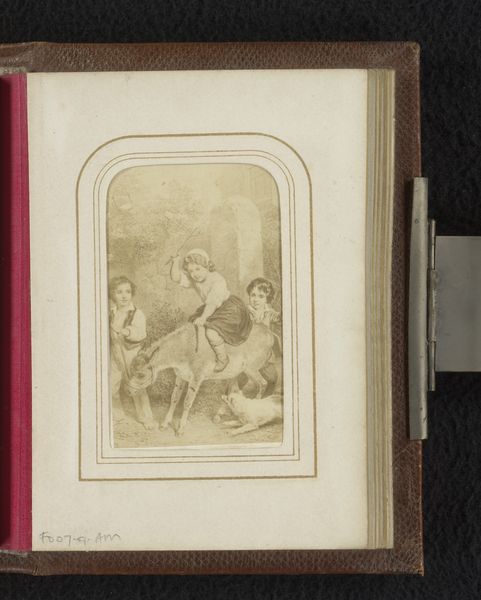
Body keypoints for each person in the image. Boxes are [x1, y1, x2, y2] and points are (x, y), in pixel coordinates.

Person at [170, 249, 252, 372]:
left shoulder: (217, 280)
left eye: (198, 269)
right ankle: (202, 355)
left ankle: (222, 359)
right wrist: (175, 262)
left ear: (207, 266)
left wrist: (203, 317)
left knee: (211, 332)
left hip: (229, 308)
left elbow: (212, 303)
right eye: (191, 271)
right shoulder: (195, 279)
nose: (194, 274)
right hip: (212, 308)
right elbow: (176, 278)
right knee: (191, 324)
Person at [109, 275, 147, 420]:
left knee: (136, 384)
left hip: (131, 353)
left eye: (128, 292)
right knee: (112, 383)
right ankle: (117, 413)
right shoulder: (112, 312)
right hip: (114, 353)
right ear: (112, 294)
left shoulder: (137, 313)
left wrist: (128, 331)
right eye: (119, 292)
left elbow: (141, 332)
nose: (124, 296)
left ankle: (145, 417)